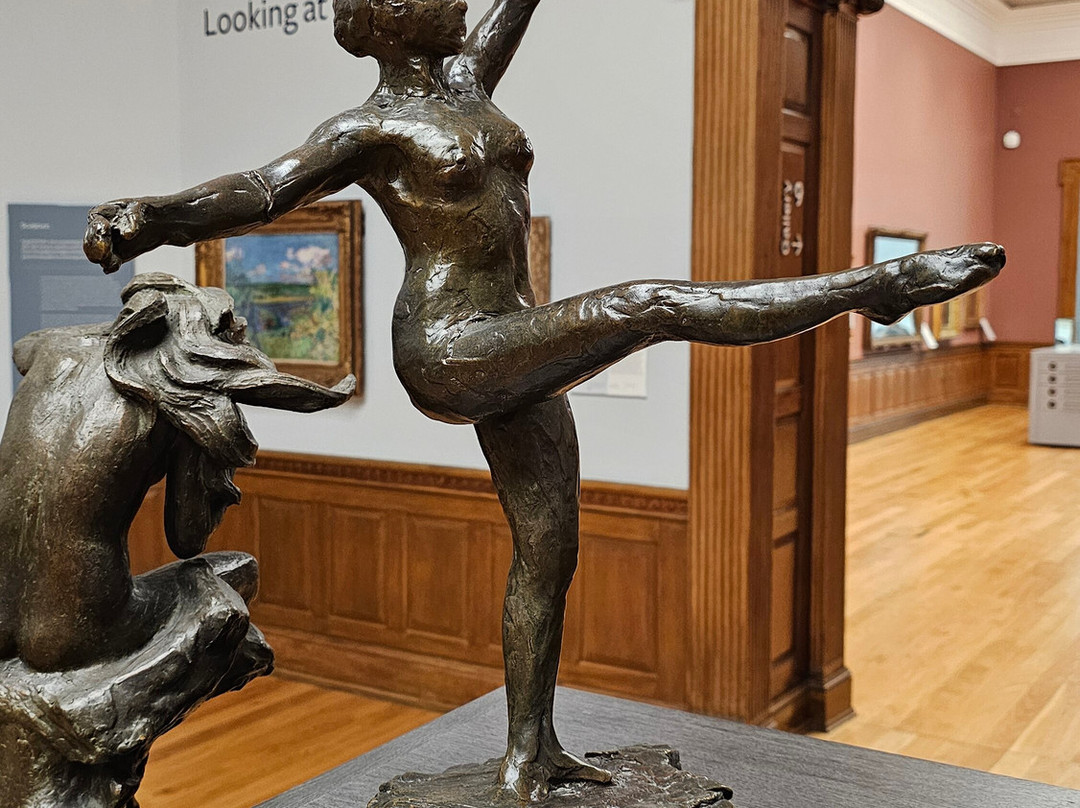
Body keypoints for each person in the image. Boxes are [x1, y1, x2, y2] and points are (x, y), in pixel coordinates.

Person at [83, 0, 1005, 799]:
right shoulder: (366, 131)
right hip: (449, 348)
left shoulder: (468, 84)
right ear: (382, 21)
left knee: (549, 548)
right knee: (651, 303)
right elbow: (259, 189)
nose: (452, 1)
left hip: (514, 338)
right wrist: (153, 217)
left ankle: (530, 754)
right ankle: (875, 289)